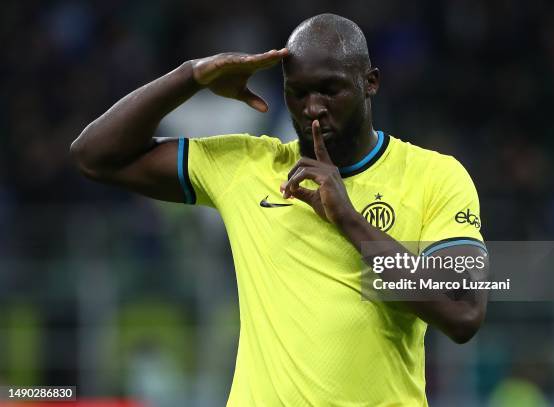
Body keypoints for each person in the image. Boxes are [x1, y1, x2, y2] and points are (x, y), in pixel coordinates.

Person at [71, 13, 488, 406]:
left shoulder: (434, 177)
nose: (312, 108)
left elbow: (464, 311)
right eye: (298, 92)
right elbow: (95, 156)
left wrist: (349, 220)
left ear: (370, 82)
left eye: (330, 89)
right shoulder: (247, 165)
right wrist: (191, 76)